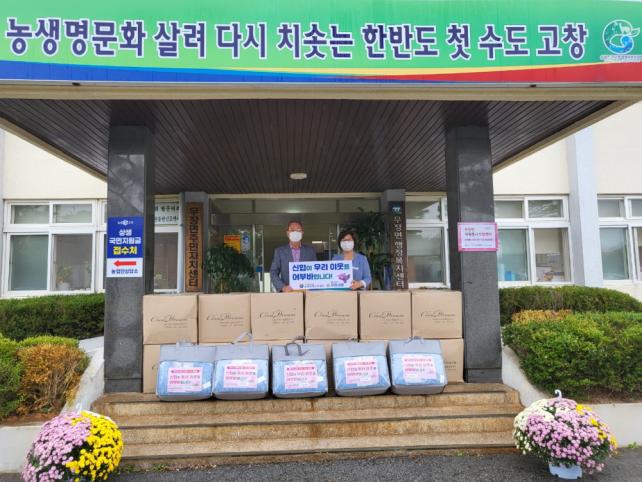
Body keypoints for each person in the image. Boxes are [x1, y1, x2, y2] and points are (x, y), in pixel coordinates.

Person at [269, 220, 317, 292]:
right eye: (292, 230)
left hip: (307, 293)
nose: (295, 232)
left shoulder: (310, 251)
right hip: (288, 293)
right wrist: (283, 287)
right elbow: (273, 272)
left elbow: (316, 271)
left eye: (298, 230)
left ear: (302, 233)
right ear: (287, 233)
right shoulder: (279, 252)